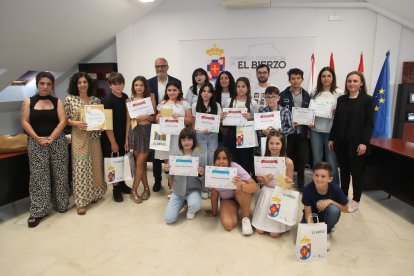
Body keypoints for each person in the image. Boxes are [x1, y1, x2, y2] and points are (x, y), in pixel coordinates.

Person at [21, 71, 69, 227]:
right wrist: (37, 138)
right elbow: (25, 122)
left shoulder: (58, 102)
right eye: (42, 83)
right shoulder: (29, 101)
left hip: (57, 142)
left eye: (48, 84)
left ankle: (61, 204)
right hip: (36, 143)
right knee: (39, 178)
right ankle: (38, 210)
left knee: (60, 174)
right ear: (37, 84)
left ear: (52, 86)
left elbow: (63, 121)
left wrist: (51, 138)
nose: (45, 86)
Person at [328, 71, 374, 212]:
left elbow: (369, 124)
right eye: (349, 81)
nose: (352, 83)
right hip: (341, 142)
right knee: (344, 171)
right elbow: (336, 121)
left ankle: (356, 199)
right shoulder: (341, 99)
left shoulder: (367, 100)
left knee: (356, 173)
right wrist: (331, 138)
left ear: (361, 83)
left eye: (355, 81)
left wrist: (364, 143)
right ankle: (343, 195)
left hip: (357, 143)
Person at [64, 72, 107, 215]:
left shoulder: (96, 100)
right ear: (75, 85)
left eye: (85, 82)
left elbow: (102, 119)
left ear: (89, 83)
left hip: (95, 137)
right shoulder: (70, 100)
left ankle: (94, 194)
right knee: (81, 167)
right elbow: (65, 120)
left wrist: (102, 125)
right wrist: (76, 123)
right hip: (79, 138)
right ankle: (81, 201)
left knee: (95, 166)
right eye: (79, 82)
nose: (82, 85)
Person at [205, 147, 259, 235]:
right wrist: (214, 212)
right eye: (218, 158)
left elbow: (256, 187)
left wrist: (241, 185)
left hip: (241, 194)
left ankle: (245, 219)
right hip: (227, 200)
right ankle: (235, 209)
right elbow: (214, 193)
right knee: (228, 225)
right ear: (214, 160)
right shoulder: (212, 171)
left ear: (229, 160)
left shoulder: (236, 167)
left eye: (224, 158)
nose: (221, 161)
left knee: (241, 188)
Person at [252, 131, 294, 238]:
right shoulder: (262, 160)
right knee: (259, 230)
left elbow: (289, 185)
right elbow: (259, 179)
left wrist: (288, 182)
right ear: (267, 144)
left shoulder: (288, 162)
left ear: (282, 145)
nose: (274, 146)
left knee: (274, 234)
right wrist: (262, 180)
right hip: (266, 192)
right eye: (271, 143)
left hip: (280, 194)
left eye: (277, 144)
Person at [148, 58, 181, 192]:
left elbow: (179, 100)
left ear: (167, 67)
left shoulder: (176, 81)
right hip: (156, 122)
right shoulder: (149, 82)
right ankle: (157, 180)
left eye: (162, 66)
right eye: (157, 66)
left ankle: (173, 181)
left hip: (172, 124)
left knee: (173, 152)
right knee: (158, 153)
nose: (160, 69)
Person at [155, 81, 193, 198]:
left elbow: (190, 120)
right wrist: (158, 117)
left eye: (174, 90)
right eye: (169, 90)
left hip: (179, 138)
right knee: (168, 164)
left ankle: (181, 189)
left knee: (178, 162)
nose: (172, 92)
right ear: (166, 91)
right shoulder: (162, 104)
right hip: (165, 138)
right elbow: (158, 121)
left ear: (179, 91)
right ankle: (172, 189)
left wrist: (181, 117)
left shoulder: (184, 103)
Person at [301, 162, 349, 249]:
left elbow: (346, 209)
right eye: (316, 175)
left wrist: (331, 201)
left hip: (326, 217)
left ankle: (326, 231)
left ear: (329, 179)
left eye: (323, 176)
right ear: (312, 176)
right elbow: (308, 213)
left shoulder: (335, 189)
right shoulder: (307, 190)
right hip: (311, 217)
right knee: (302, 237)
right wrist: (313, 231)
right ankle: (318, 231)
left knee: (334, 210)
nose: (319, 179)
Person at [164, 127, 206, 224]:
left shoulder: (200, 155)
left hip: (193, 190)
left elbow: (204, 179)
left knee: (195, 205)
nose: (186, 142)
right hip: (178, 191)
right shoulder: (175, 153)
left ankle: (191, 208)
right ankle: (183, 203)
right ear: (180, 141)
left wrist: (201, 174)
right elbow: (169, 174)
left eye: (189, 139)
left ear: (193, 140)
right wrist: (166, 171)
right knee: (169, 219)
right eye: (183, 140)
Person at [100, 72, 131, 202]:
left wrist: (126, 139)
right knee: (113, 164)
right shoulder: (107, 100)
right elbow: (107, 124)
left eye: (121, 83)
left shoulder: (125, 97)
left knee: (122, 162)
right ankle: (116, 189)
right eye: (115, 84)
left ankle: (122, 184)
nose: (119, 86)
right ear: (110, 86)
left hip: (123, 136)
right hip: (110, 138)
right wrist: (113, 142)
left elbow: (128, 120)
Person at [125, 76, 156, 203]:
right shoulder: (129, 100)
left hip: (147, 132)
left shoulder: (150, 98)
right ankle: (147, 188)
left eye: (141, 85)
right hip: (135, 132)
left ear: (145, 87)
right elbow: (128, 120)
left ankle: (133, 190)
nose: (139, 87)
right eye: (136, 85)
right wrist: (126, 138)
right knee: (141, 163)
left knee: (140, 162)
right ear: (133, 86)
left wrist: (147, 117)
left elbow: (155, 118)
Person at [310, 67, 343, 186]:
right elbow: (310, 110)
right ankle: (316, 185)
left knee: (331, 161)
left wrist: (337, 111)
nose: (326, 78)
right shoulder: (314, 92)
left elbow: (343, 112)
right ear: (320, 78)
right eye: (323, 76)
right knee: (317, 159)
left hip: (331, 132)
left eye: (329, 76)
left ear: (333, 77)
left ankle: (334, 187)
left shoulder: (339, 93)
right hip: (315, 130)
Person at [280, 68, 311, 191]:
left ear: (302, 79)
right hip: (288, 132)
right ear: (289, 80)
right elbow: (280, 112)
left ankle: (301, 182)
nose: (296, 80)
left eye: (298, 78)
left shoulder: (307, 94)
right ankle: (285, 182)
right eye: (293, 78)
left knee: (302, 158)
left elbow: (310, 111)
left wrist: (310, 121)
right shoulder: (283, 94)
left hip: (302, 132)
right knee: (287, 157)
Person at [222, 77, 259, 175]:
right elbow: (224, 119)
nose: (240, 89)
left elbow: (257, 119)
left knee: (245, 159)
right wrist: (222, 117)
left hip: (246, 134)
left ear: (248, 88)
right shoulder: (229, 101)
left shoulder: (253, 103)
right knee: (232, 158)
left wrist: (251, 117)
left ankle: (246, 182)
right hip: (231, 134)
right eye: (238, 86)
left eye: (243, 86)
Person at [192, 82, 222, 199]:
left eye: (208, 91)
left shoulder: (217, 105)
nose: (206, 93)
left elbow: (218, 121)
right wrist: (195, 135)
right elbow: (194, 122)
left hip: (213, 136)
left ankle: (211, 188)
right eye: (203, 91)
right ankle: (203, 188)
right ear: (200, 93)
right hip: (199, 136)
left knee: (211, 160)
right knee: (202, 161)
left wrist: (211, 128)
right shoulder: (195, 105)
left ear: (212, 94)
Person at [256, 86, 295, 156]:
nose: (270, 99)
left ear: (278, 98)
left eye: (273, 97)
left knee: (280, 163)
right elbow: (257, 130)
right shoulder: (261, 111)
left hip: (280, 144)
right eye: (268, 97)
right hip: (265, 143)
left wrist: (280, 130)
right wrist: (262, 132)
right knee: (266, 164)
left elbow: (291, 129)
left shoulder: (285, 111)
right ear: (265, 98)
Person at [214, 71, 236, 147]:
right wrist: (220, 127)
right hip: (217, 126)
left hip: (232, 127)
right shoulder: (214, 94)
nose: (223, 80)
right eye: (221, 78)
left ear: (230, 80)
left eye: (226, 78)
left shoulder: (235, 93)